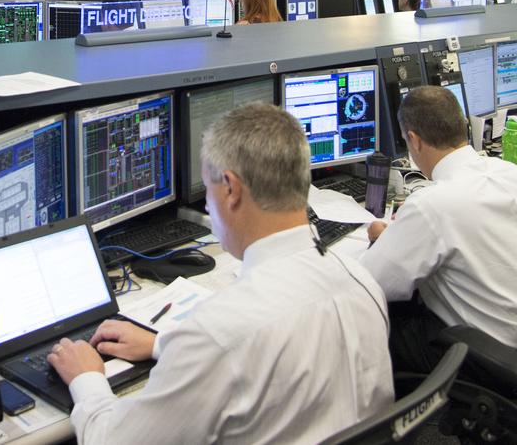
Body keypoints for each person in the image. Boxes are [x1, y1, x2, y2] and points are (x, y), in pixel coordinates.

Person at [47, 103, 393, 444]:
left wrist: (86, 378)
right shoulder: (360, 280)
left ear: (230, 189)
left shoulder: (218, 333)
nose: (208, 207)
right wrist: (162, 345)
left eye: (207, 192)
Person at [360, 86, 517, 373]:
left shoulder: (432, 204)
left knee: (371, 323)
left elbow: (372, 283)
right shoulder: (513, 174)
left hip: (496, 357)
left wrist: (382, 241)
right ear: (464, 126)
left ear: (414, 140)